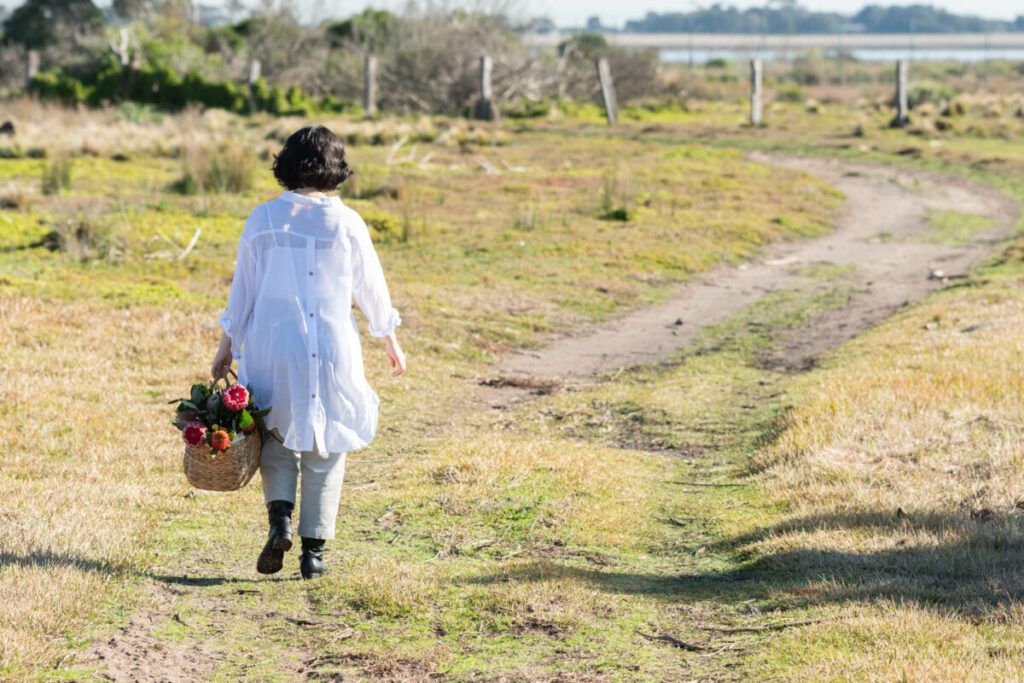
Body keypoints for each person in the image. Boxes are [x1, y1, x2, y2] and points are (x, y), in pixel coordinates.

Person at [211, 125, 406, 579]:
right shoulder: (348, 222)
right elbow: (371, 289)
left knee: (276, 436)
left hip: (273, 344)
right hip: (332, 343)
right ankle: (313, 553)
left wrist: (225, 346)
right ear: (336, 168)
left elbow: (243, 292)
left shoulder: (261, 219)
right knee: (327, 444)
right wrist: (389, 338)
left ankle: (280, 520)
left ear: (288, 163)